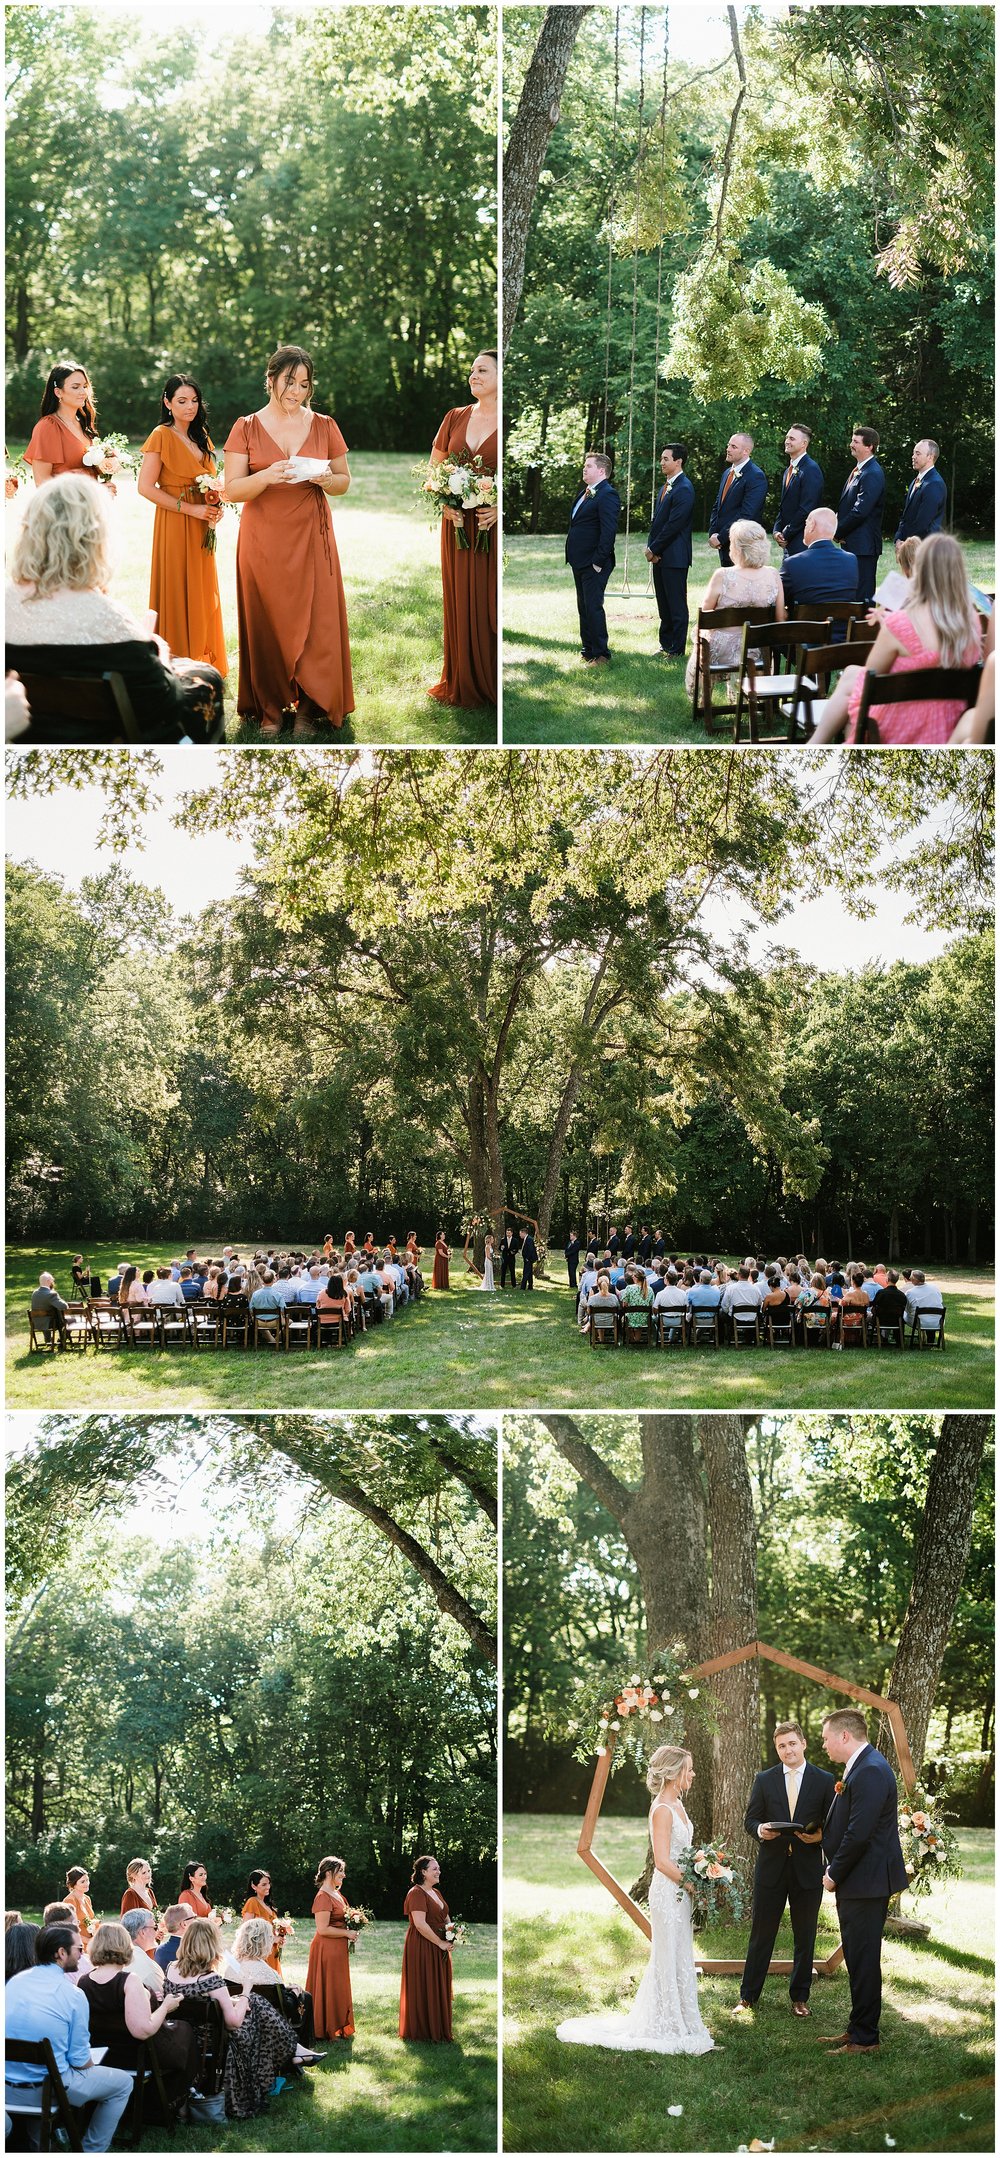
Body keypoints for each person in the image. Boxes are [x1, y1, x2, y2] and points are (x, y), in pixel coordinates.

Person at [5, 475, 224, 740]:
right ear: (97, 540)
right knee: (206, 678)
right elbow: (163, 705)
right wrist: (160, 654)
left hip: (29, 734)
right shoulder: (115, 624)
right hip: (108, 738)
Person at [223, 343, 353, 736]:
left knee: (317, 622)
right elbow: (231, 489)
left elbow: (345, 481)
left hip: (312, 534)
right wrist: (266, 476)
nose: (296, 391)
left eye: (304, 384)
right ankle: (270, 708)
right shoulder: (245, 426)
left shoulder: (326, 425)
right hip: (263, 536)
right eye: (289, 382)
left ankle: (310, 708)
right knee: (268, 621)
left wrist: (328, 480)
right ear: (270, 380)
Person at [557, 1746, 714, 2053]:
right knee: (667, 1954)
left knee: (680, 1952)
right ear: (674, 1774)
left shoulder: (678, 1804)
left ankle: (681, 2016)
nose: (693, 1774)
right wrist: (692, 1884)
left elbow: (680, 1852)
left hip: (680, 1891)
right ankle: (666, 2022)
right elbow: (661, 1861)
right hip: (668, 1892)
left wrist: (702, 1865)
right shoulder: (662, 1810)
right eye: (689, 1770)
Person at [810, 533, 983, 744]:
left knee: (853, 680)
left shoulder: (900, 624)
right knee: (850, 674)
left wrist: (891, 629)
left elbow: (870, 681)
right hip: (950, 719)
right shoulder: (971, 621)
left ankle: (817, 743)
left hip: (903, 723)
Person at [733, 1720, 836, 2018]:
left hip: (806, 1870)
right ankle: (748, 1996)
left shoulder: (824, 1779)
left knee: (805, 1936)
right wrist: (760, 1829)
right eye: (781, 1746)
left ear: (803, 1743)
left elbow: (833, 1824)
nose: (787, 1749)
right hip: (771, 1869)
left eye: (792, 1743)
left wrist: (820, 1837)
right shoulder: (764, 1779)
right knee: (761, 1934)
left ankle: (800, 1997)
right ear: (776, 1750)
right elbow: (750, 1820)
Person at [820, 1709, 908, 2052]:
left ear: (845, 1736)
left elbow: (859, 1833)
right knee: (858, 1957)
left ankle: (865, 2038)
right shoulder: (863, 1764)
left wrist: (833, 1872)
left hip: (865, 1879)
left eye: (827, 1738)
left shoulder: (870, 1769)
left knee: (864, 1958)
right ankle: (857, 2028)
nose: (824, 1745)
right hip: (862, 1879)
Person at [5, 1922, 134, 2151]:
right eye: (78, 1949)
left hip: (7, 2088)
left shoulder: (14, 1983)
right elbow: (79, 2061)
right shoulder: (73, 1995)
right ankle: (91, 2150)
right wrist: (92, 2059)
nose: (82, 1953)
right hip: (48, 2090)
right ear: (61, 1953)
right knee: (123, 2083)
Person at [163, 1916, 308, 2117]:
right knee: (255, 2006)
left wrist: (234, 2001)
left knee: (254, 2006)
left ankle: (293, 2051)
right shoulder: (211, 1979)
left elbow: (194, 1999)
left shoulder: (171, 1969)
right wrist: (246, 1993)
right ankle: (289, 2052)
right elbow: (233, 2023)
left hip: (181, 2034)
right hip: (213, 2040)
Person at [137, 374, 227, 679]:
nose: (190, 406)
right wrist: (192, 508)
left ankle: (203, 659)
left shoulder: (202, 436)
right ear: (167, 403)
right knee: (176, 585)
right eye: (181, 401)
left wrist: (216, 505)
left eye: (194, 400)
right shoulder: (160, 435)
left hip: (202, 527)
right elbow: (145, 487)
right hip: (175, 522)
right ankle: (176, 658)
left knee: (202, 591)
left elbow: (212, 480)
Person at [428, 350, 498, 707]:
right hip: (456, 524)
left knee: (489, 603)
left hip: (491, 528)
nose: (474, 375)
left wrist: (500, 508)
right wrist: (444, 503)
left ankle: (492, 677)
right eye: (472, 370)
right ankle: (462, 676)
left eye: (483, 370)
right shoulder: (454, 417)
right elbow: (434, 471)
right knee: (459, 599)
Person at [77, 1921, 194, 2120]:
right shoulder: (128, 1980)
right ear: (124, 1946)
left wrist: (147, 1998)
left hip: (103, 2053)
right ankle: (170, 2102)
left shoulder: (84, 1980)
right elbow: (143, 2030)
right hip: (133, 2054)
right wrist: (165, 2006)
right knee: (185, 2031)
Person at [684, 519, 784, 696]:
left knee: (701, 633)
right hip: (756, 651)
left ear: (736, 547)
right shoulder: (773, 575)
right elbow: (780, 617)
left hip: (720, 651)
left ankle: (703, 698)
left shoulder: (723, 574)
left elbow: (705, 616)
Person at [565, 450, 621, 664]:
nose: (584, 468)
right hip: (579, 560)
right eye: (584, 465)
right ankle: (587, 649)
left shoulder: (607, 494)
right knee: (583, 606)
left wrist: (598, 561)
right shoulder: (585, 492)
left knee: (593, 607)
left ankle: (601, 654)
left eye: (588, 466)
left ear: (601, 470)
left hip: (594, 562)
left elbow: (608, 531)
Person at [23, 363, 112, 487]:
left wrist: (102, 489)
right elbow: (42, 483)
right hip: (63, 505)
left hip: (90, 504)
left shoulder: (84, 424)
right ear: (58, 392)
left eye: (85, 386)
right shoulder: (48, 427)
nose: (83, 392)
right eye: (75, 387)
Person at [645, 443, 696, 657]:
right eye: (662, 458)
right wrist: (653, 550)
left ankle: (676, 649)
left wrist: (654, 548)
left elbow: (674, 524)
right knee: (663, 605)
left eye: (666, 459)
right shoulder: (665, 487)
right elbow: (658, 522)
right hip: (660, 556)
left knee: (676, 605)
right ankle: (665, 645)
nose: (662, 462)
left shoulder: (684, 488)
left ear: (678, 461)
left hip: (674, 556)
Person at [399, 1854, 455, 2043]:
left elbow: (445, 1916)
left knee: (438, 1983)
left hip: (440, 1943)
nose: (439, 1871)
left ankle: (439, 2027)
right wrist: (439, 1942)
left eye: (438, 1868)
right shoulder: (416, 1893)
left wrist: (453, 1933)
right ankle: (424, 2030)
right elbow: (420, 1924)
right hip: (423, 1944)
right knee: (425, 1982)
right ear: (423, 1872)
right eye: (434, 1869)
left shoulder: (436, 1892)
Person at [305, 1857, 357, 2039]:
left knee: (338, 1986)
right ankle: (323, 2027)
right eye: (340, 1871)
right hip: (326, 1948)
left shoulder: (338, 1895)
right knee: (328, 1986)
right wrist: (346, 1934)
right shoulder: (322, 1897)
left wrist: (353, 1928)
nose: (344, 1874)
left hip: (338, 1949)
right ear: (329, 1873)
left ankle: (336, 2024)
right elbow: (322, 1928)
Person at [835, 427, 885, 604]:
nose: (851, 445)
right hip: (853, 542)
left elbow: (860, 511)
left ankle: (864, 629)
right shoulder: (859, 469)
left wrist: (837, 531)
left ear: (869, 446)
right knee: (852, 592)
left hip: (863, 546)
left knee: (862, 595)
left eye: (856, 442)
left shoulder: (872, 472)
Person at [779, 508, 859, 614]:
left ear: (812, 525)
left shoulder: (792, 563)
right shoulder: (851, 560)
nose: (805, 528)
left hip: (804, 630)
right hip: (844, 629)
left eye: (806, 524)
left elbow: (779, 600)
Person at [708, 433, 768, 566]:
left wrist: (721, 537)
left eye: (733, 446)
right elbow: (717, 505)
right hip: (723, 543)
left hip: (743, 545)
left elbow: (747, 514)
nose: (728, 449)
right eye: (728, 445)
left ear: (746, 451)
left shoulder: (756, 476)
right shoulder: (727, 473)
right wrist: (713, 533)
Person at [772, 423, 824, 557]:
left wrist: (787, 532)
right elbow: (784, 505)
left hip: (802, 541)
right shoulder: (788, 471)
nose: (787, 441)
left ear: (804, 443)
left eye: (792, 439)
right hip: (788, 540)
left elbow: (807, 507)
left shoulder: (811, 469)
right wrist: (777, 530)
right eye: (787, 437)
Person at [895, 439, 947, 547]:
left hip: (925, 549)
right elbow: (906, 515)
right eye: (913, 453)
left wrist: (907, 544)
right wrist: (898, 538)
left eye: (918, 453)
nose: (913, 457)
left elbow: (923, 522)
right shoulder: (915, 481)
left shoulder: (934, 483)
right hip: (910, 547)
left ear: (930, 457)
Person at [241, 1871, 288, 1975]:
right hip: (260, 1953)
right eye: (263, 1884)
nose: (268, 1887)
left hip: (272, 1952)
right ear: (254, 1886)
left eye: (268, 1883)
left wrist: (280, 1937)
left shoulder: (268, 1905)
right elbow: (247, 1932)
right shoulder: (252, 1902)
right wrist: (272, 1939)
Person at [118, 1907, 165, 1995]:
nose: (157, 1931)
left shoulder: (112, 1956)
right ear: (143, 1932)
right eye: (155, 1928)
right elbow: (162, 1995)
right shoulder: (149, 1967)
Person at [30, 1270, 68, 1345]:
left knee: (48, 1315)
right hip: (50, 1324)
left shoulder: (34, 1293)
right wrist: (59, 1297)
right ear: (48, 1281)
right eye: (52, 1280)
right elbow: (64, 1306)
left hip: (36, 1323)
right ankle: (62, 1340)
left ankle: (48, 1340)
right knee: (69, 1320)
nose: (53, 1282)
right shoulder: (51, 1294)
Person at [65, 1867, 97, 1947]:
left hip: (91, 1944)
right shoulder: (69, 1901)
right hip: (77, 1946)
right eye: (83, 1881)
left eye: (87, 1880)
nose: (87, 1883)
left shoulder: (87, 1898)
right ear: (73, 1884)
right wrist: (89, 1941)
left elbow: (91, 1920)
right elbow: (69, 1930)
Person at [154, 1905, 191, 1973]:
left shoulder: (160, 1950)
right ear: (184, 1924)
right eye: (194, 1917)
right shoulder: (192, 1949)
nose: (196, 1920)